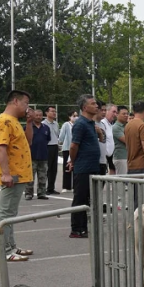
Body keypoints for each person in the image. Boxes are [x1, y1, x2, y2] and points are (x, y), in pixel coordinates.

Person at [0, 90, 34, 262]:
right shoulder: (4, 121)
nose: (27, 108)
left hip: (21, 174)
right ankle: (4, 250)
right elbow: (1, 148)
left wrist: (29, 123)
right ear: (15, 101)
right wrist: (6, 174)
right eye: (25, 103)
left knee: (11, 213)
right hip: (13, 175)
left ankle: (12, 246)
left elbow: (28, 141)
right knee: (5, 213)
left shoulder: (15, 121)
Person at [68, 95, 102, 238]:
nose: (96, 106)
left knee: (88, 198)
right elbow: (74, 145)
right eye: (93, 104)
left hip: (92, 166)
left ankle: (84, 226)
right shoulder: (80, 124)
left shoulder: (90, 123)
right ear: (84, 107)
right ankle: (77, 229)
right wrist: (73, 161)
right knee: (80, 198)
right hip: (83, 167)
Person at [24, 108, 51, 200]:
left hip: (43, 156)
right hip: (31, 156)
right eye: (36, 115)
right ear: (33, 116)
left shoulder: (46, 128)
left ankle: (41, 193)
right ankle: (28, 193)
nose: (38, 117)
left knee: (42, 177)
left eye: (40, 115)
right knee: (30, 177)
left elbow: (48, 140)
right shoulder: (28, 127)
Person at [42, 106, 60, 194]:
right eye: (52, 111)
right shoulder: (43, 124)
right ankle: (43, 188)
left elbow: (57, 135)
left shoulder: (56, 124)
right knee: (47, 168)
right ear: (46, 113)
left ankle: (51, 188)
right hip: (47, 147)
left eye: (55, 111)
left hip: (55, 146)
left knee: (54, 168)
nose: (54, 113)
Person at [59, 109, 77, 192]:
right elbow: (61, 136)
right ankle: (66, 186)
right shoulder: (66, 125)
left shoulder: (78, 124)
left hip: (76, 148)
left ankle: (75, 186)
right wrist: (61, 141)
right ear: (69, 117)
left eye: (77, 116)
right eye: (74, 116)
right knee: (66, 167)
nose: (76, 117)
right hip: (67, 148)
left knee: (75, 167)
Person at [99, 103, 117, 175]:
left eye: (116, 112)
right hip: (102, 158)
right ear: (107, 111)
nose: (115, 114)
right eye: (113, 112)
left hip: (108, 157)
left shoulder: (110, 125)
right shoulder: (102, 124)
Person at [112, 105, 129, 175]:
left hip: (127, 157)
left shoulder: (127, 126)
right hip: (121, 158)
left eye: (127, 114)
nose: (126, 115)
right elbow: (127, 140)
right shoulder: (116, 127)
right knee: (122, 182)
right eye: (123, 114)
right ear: (117, 114)